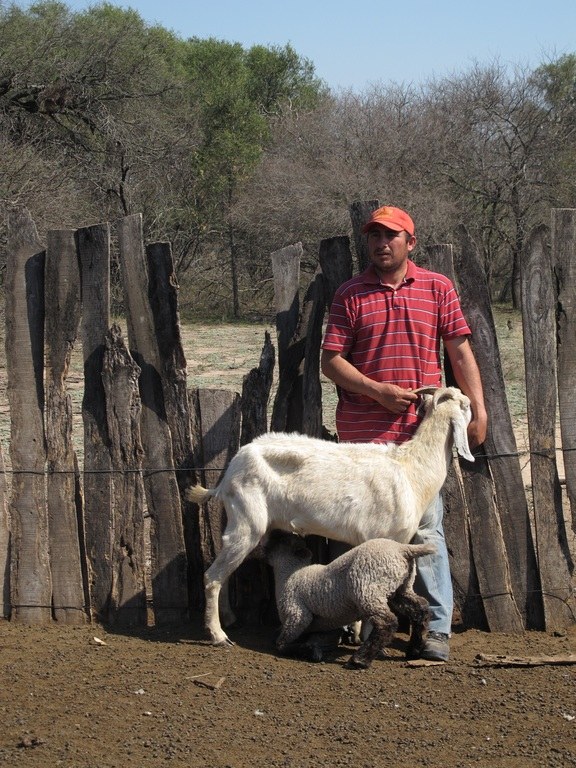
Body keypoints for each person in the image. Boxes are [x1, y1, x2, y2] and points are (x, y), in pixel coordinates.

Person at [320, 204, 487, 662]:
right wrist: (376, 392)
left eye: (391, 235)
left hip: (418, 439)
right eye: (374, 236)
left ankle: (434, 630)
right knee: (348, 531)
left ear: (410, 242)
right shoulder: (350, 294)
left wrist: (478, 410)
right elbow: (330, 361)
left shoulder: (437, 287)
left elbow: (459, 351)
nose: (381, 243)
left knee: (424, 528)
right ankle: (343, 621)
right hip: (361, 438)